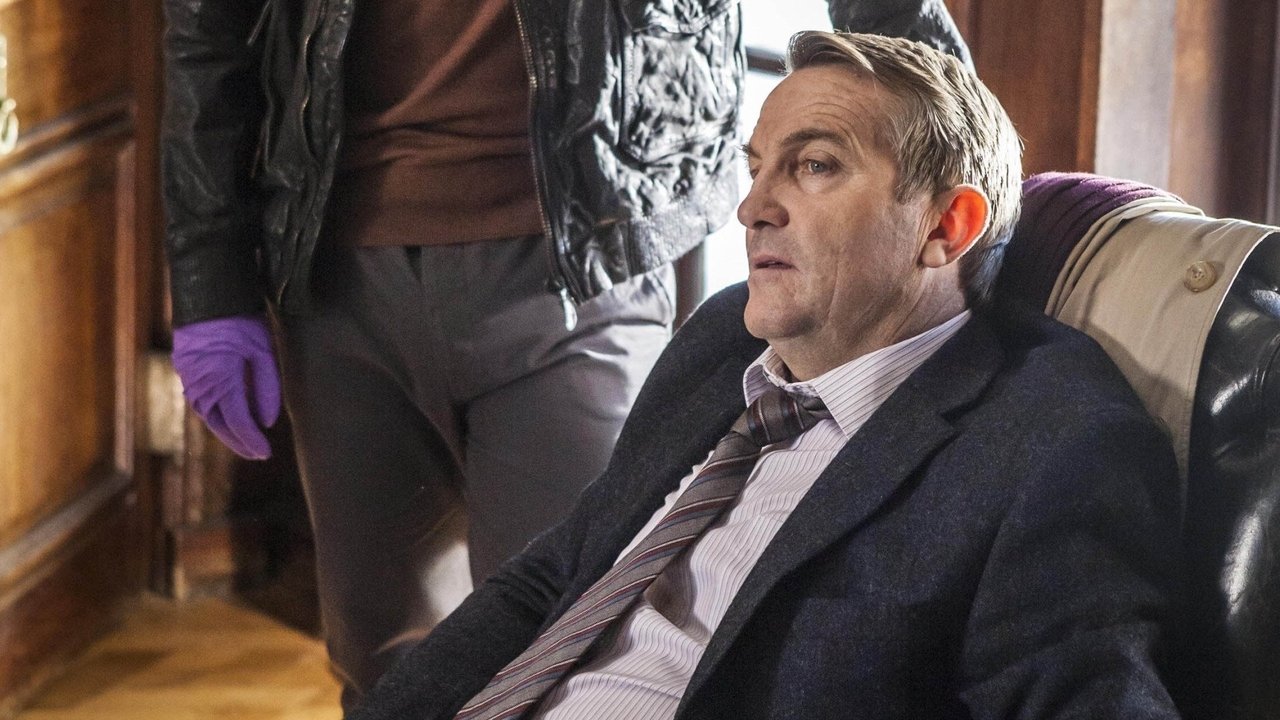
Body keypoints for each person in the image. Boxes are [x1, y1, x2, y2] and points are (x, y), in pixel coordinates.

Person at [159, 0, 974, 710]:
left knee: (579, 653)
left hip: (584, 254)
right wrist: (209, 283)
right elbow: (206, 30)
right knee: (387, 672)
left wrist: (975, 197)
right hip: (335, 270)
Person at [348, 31, 1185, 720]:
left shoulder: (1054, 441)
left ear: (945, 226)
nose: (753, 208)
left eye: (814, 165)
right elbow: (559, 572)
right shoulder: (723, 339)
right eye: (756, 168)